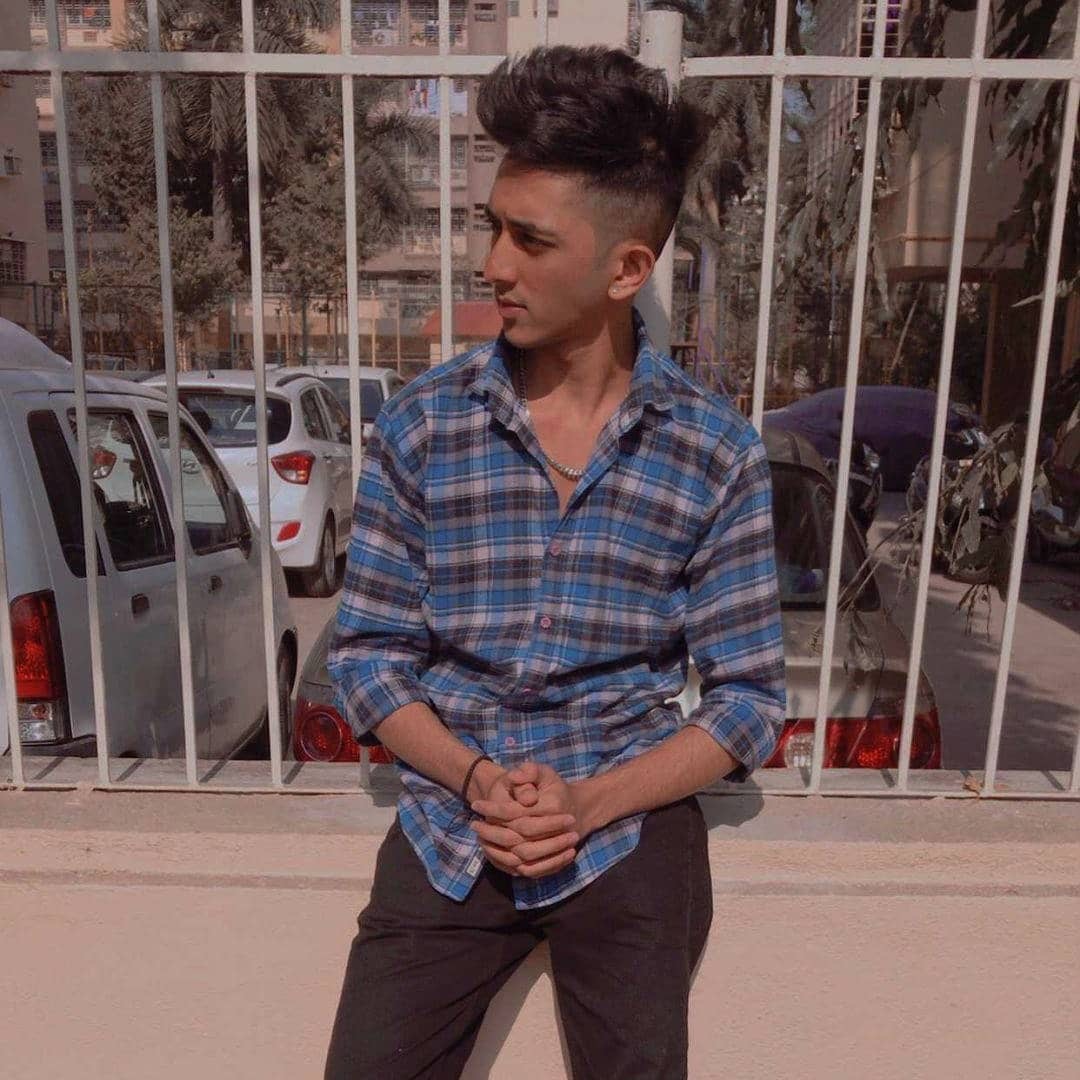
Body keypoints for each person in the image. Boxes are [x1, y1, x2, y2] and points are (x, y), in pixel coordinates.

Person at [324, 44, 786, 1080]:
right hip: (453, 818)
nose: (494, 264)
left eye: (530, 239)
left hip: (625, 824)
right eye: (493, 226)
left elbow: (748, 702)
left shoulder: (713, 452)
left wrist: (590, 802)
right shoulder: (423, 426)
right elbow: (368, 657)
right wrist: (477, 777)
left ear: (626, 269)